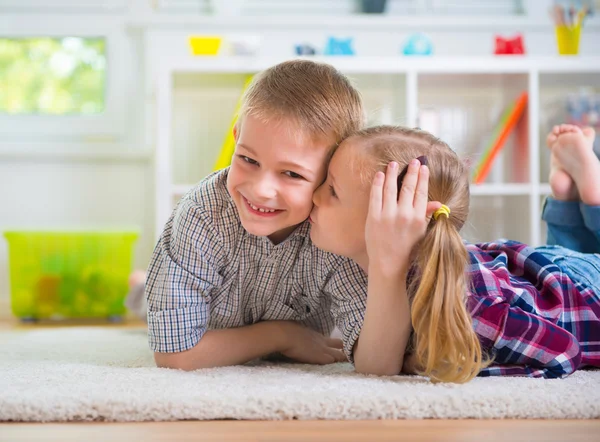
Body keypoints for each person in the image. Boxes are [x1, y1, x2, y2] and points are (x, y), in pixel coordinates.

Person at [309, 123, 600, 383]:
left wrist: (462, 366)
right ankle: (570, 198)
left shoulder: (469, 311)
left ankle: (588, 198)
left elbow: (565, 352)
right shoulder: (355, 273)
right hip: (550, 270)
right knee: (566, 261)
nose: (315, 195)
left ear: (405, 216)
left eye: (332, 190)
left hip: (587, 290)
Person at [139, 59, 372, 371]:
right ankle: (140, 285)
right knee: (146, 302)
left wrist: (387, 268)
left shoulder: (336, 230)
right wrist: (281, 336)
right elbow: (174, 354)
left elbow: (375, 356)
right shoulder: (202, 213)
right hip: (190, 298)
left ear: (331, 175)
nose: (261, 190)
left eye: (291, 173)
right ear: (236, 139)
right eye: (248, 159)